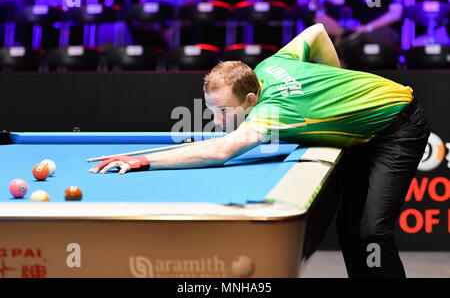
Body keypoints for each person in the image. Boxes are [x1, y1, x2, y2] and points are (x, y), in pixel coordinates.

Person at [89, 23, 430, 278]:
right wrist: (337, 85)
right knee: (348, 224)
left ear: (251, 100)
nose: (217, 118)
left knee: (372, 231)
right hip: (367, 126)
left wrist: (142, 159)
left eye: (224, 111)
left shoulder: (270, 113)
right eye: (211, 109)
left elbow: (220, 151)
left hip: (399, 125)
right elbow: (315, 33)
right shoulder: (268, 67)